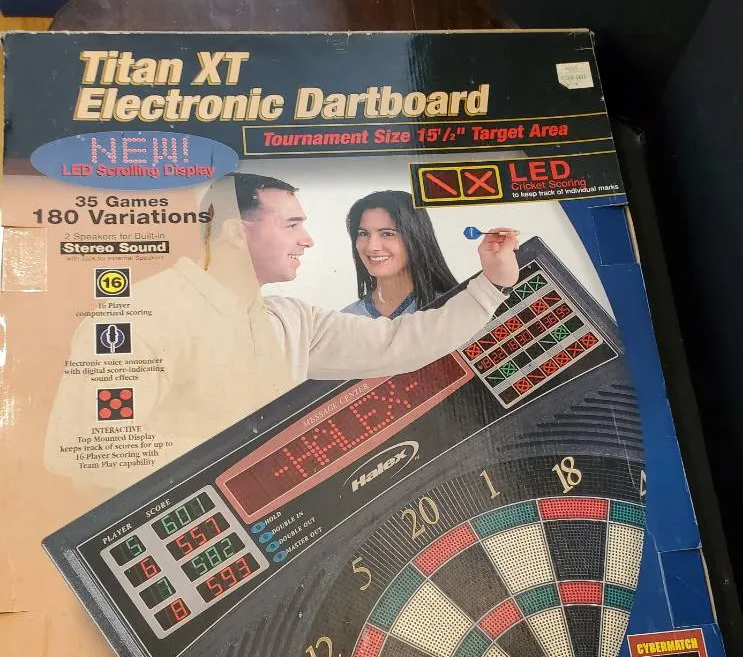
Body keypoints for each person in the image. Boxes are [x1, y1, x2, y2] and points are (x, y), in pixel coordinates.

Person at [44, 173, 518, 489]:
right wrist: (248, 463)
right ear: (236, 232)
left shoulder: (291, 321)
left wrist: (491, 286)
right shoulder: (138, 317)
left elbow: (397, 343)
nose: (307, 240)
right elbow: (85, 448)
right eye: (292, 224)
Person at [342, 190, 457, 318]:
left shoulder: (451, 311)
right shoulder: (346, 320)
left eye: (387, 234)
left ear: (416, 238)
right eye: (363, 234)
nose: (372, 247)